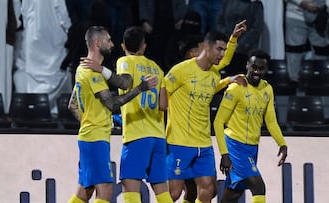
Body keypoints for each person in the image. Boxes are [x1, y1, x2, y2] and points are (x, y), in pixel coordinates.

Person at [67, 26, 157, 203]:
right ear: (97, 43)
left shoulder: (82, 68)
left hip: (91, 136)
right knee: (106, 191)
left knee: (85, 191)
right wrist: (140, 88)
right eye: (108, 40)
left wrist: (91, 121)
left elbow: (72, 105)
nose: (112, 44)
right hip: (95, 138)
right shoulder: (92, 73)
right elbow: (112, 103)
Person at [164, 20, 247, 203]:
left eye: (224, 50)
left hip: (203, 143)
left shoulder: (214, 74)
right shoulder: (181, 70)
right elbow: (163, 90)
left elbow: (221, 68)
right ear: (206, 47)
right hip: (179, 141)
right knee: (174, 193)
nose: (222, 54)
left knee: (209, 189)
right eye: (219, 49)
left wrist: (234, 38)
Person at [213, 49, 288, 203]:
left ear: (266, 69)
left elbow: (271, 121)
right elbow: (218, 121)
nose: (256, 72)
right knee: (258, 187)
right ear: (247, 65)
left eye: (261, 68)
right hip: (235, 145)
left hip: (252, 148)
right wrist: (224, 154)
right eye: (253, 67)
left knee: (232, 194)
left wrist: (282, 143)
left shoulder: (267, 89)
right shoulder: (236, 88)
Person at [113, 26, 173, 203]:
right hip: (158, 137)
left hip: (137, 134)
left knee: (130, 187)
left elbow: (124, 84)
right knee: (162, 191)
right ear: (144, 46)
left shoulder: (124, 61)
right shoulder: (157, 68)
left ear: (123, 46)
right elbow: (163, 105)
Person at [217, 0, 265, 75]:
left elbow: (257, 29)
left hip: (245, 52)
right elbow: (219, 23)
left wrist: (241, 45)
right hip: (228, 50)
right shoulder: (227, 2)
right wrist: (230, 41)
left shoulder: (255, 4)